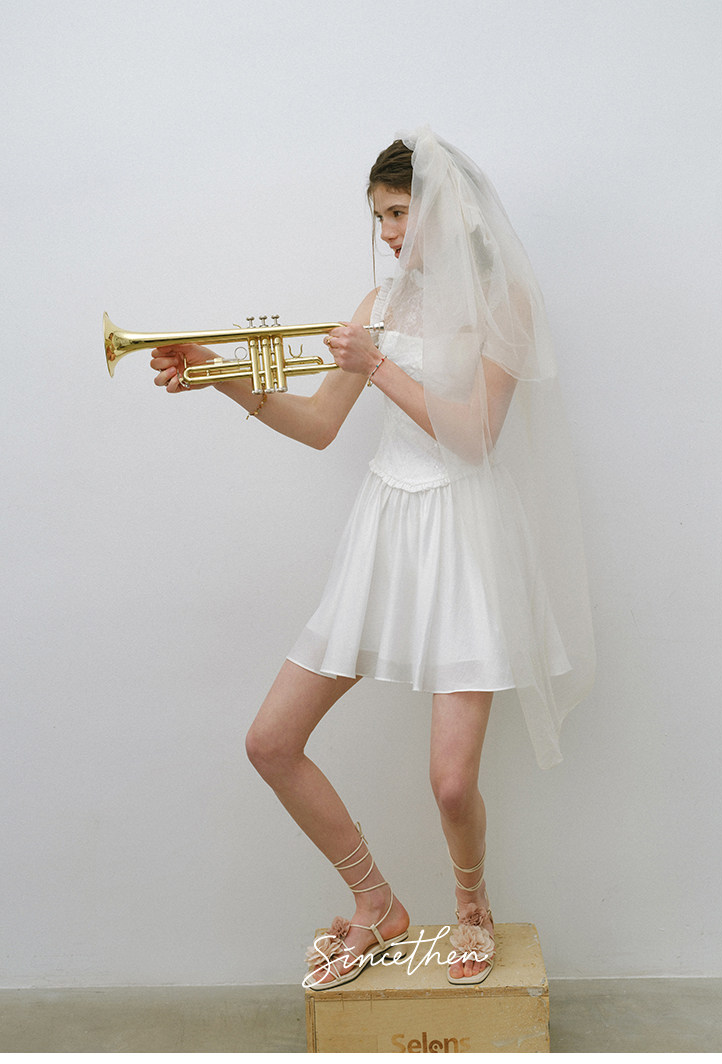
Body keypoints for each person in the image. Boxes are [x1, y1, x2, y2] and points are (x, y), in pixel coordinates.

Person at [150, 128, 595, 990]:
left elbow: (476, 436)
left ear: (444, 209)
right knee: (271, 741)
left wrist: (380, 363)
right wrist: (216, 373)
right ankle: (375, 901)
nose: (387, 233)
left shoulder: (504, 303)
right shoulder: (376, 302)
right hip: (385, 532)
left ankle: (472, 904)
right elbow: (319, 425)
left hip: (466, 538)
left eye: (398, 213)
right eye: (379, 217)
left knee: (451, 784)